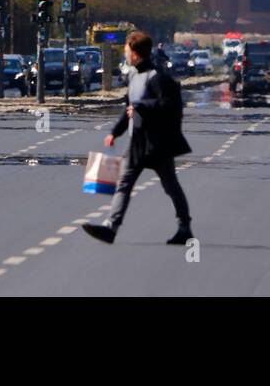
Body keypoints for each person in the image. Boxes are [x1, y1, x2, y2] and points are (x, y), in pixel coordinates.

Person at [82, 31, 194, 246]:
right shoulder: (132, 75)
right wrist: (115, 132)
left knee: (170, 186)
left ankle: (184, 227)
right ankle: (110, 227)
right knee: (124, 183)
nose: (124, 53)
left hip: (158, 142)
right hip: (137, 141)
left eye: (126, 49)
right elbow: (130, 108)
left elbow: (168, 105)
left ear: (134, 53)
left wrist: (143, 107)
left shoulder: (157, 77)